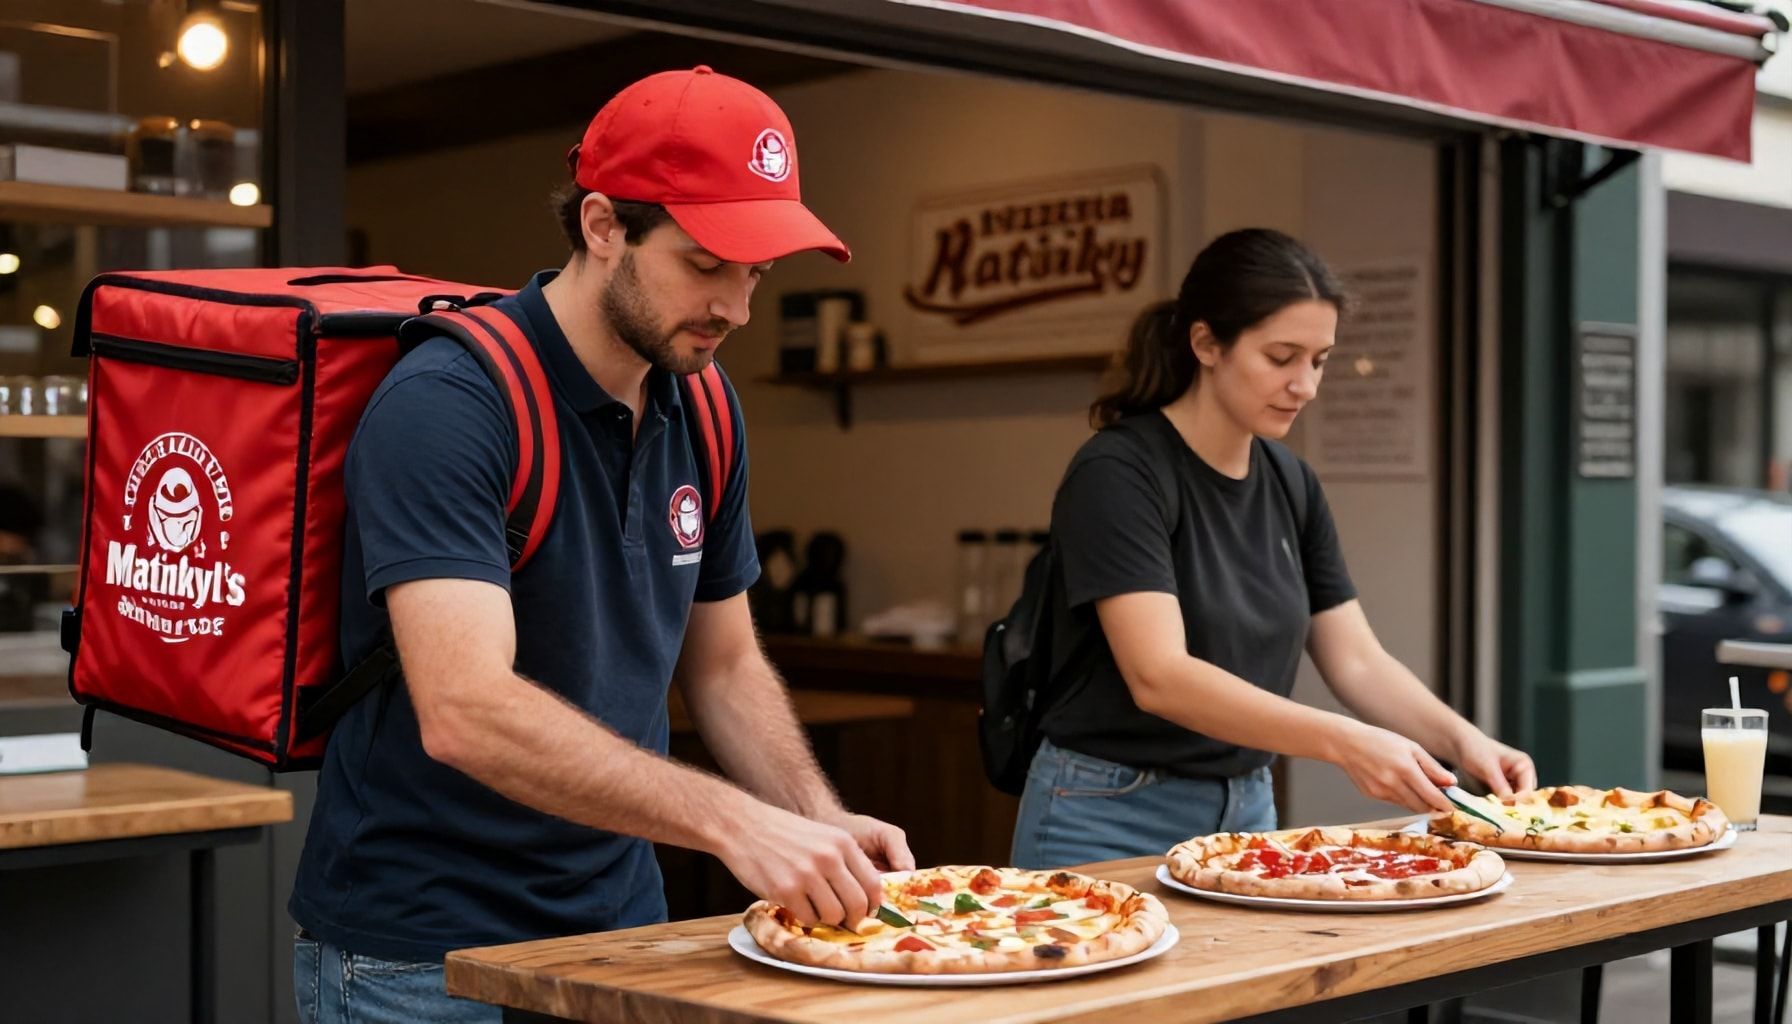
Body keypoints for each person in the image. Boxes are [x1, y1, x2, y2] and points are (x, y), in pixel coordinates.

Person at [289, 67, 912, 1023]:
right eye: (707, 264)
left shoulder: (703, 404)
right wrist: (734, 822)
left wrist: (812, 816)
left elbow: (726, 663)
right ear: (603, 226)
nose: (737, 309)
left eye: (758, 273)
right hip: (424, 957)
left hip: (622, 931)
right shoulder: (450, 406)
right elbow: (465, 708)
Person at [1010, 228, 1536, 869]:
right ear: (1206, 343)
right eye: (1282, 356)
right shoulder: (1120, 471)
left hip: (1248, 808)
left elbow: (1357, 662)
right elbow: (1159, 676)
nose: (1306, 385)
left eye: (1319, 360)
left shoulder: (1291, 481)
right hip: (1106, 809)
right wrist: (1346, 743)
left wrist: (1465, 741)